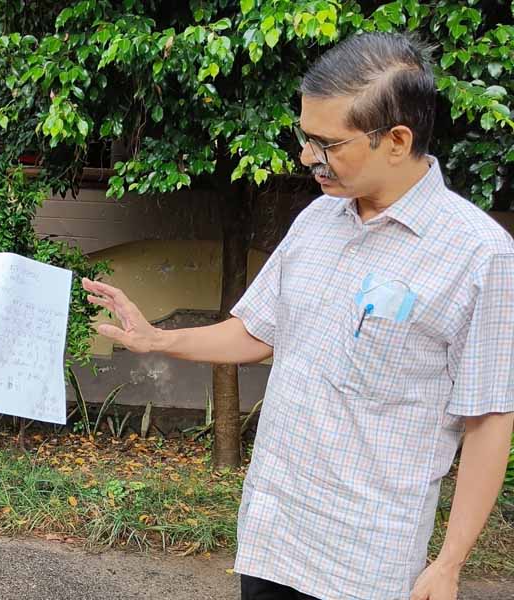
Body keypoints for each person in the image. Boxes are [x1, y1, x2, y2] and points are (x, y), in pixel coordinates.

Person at [83, 32, 514, 600]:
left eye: (326, 143)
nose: (308, 157)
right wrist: (155, 338)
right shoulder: (317, 221)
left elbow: (488, 417)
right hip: (275, 534)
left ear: (397, 141)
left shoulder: (478, 254)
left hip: (367, 563)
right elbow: (256, 331)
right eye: (305, 137)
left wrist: (450, 562)